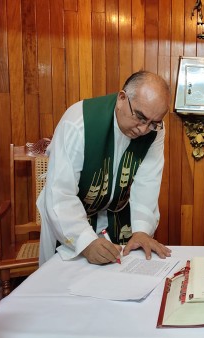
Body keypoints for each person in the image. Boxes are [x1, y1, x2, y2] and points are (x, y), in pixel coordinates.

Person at [38, 71, 172, 265]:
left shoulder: (154, 131)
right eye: (140, 117)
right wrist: (85, 241)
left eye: (154, 123)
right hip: (71, 220)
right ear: (121, 98)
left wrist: (142, 230)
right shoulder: (79, 122)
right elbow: (60, 192)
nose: (144, 129)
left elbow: (148, 182)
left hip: (116, 217)